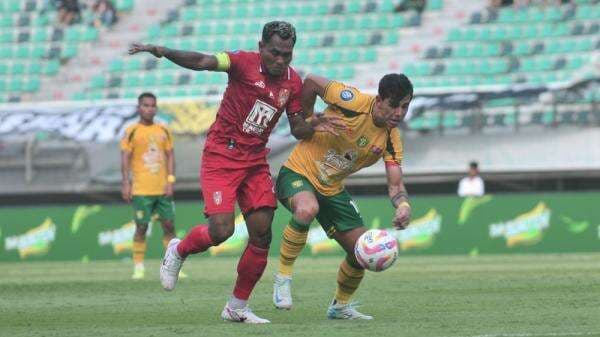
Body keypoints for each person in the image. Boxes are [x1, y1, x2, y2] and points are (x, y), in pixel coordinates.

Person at [128, 21, 342, 324]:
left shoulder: (293, 83)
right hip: (221, 156)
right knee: (221, 231)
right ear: (261, 47)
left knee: (261, 234)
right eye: (275, 53)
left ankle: (236, 307)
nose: (281, 60)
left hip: (254, 161)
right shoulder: (241, 62)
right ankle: (178, 249)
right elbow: (203, 61)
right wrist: (161, 51)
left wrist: (315, 124)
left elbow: (297, 130)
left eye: (287, 55)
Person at [272, 73, 413, 319]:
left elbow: (395, 184)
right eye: (394, 105)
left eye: (405, 106)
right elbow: (312, 82)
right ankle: (283, 278)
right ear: (379, 100)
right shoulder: (352, 101)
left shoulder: (391, 139)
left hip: (332, 189)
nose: (399, 113)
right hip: (298, 172)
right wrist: (306, 120)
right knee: (307, 209)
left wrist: (402, 204)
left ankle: (340, 306)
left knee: (361, 251)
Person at [120, 92, 180, 280]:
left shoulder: (164, 130)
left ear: (156, 108)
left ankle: (172, 266)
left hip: (162, 189)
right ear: (139, 108)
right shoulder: (131, 131)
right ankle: (138, 266)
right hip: (141, 190)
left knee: (169, 227)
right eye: (145, 105)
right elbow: (125, 158)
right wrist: (125, 183)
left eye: (152, 105)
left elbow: (170, 155)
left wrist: (170, 180)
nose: (149, 108)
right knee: (141, 227)